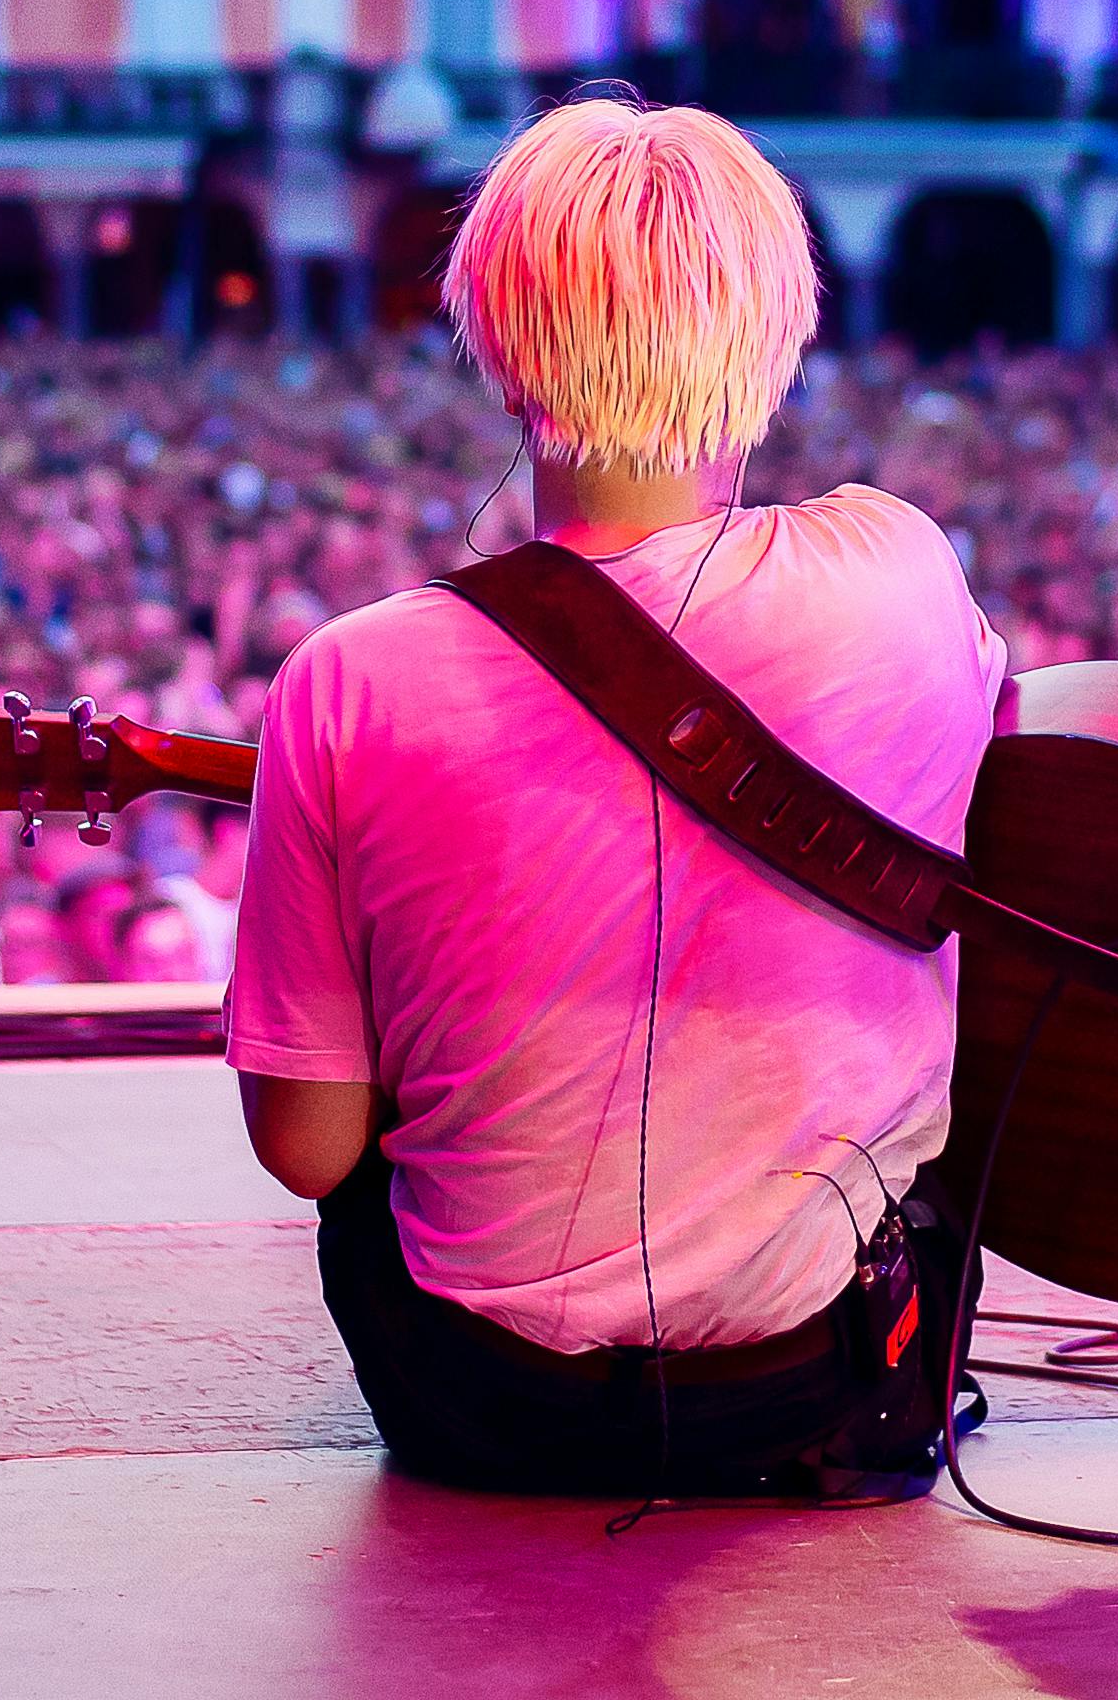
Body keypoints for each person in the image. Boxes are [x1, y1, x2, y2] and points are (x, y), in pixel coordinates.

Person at [225, 97, 1000, 1503]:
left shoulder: (346, 682)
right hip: (819, 1385)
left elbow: (309, 1149)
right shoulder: (902, 576)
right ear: (774, 340)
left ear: (499, 349)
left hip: (481, 1409)